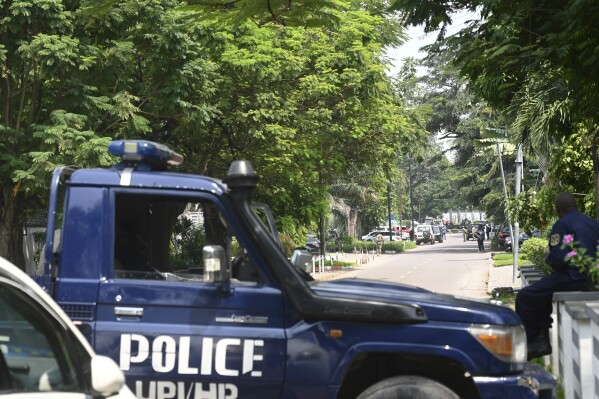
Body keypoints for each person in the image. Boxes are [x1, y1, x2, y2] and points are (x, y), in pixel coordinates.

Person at [515, 192, 599, 360]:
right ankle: (541, 340)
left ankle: (536, 342)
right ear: (575, 206)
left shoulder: (562, 225)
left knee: (526, 296)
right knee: (543, 293)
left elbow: (559, 258)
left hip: (572, 277)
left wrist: (549, 258)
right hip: (593, 278)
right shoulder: (592, 223)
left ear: (558, 209)